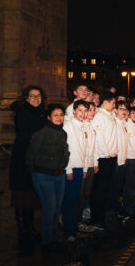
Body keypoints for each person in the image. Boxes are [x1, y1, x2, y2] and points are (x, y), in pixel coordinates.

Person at [25, 103, 70, 251]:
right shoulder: (40, 134)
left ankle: (53, 238)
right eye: (55, 115)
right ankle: (47, 242)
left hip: (59, 176)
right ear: (49, 117)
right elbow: (31, 156)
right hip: (44, 177)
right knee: (49, 209)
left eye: (61, 115)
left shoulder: (63, 133)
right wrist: (35, 173)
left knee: (57, 209)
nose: (59, 118)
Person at [9, 87, 45, 254]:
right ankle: (23, 231)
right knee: (21, 194)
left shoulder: (42, 113)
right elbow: (27, 134)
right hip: (22, 160)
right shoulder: (22, 113)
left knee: (31, 195)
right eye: (32, 96)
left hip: (36, 160)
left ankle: (30, 228)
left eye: (38, 96)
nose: (36, 99)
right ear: (26, 98)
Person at [62, 100, 91, 240]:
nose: (83, 114)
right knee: (69, 200)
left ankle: (74, 228)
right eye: (80, 110)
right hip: (71, 168)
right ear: (73, 111)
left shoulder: (85, 125)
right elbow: (65, 150)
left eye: (85, 111)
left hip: (80, 167)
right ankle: (68, 231)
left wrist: (85, 167)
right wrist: (68, 170)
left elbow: (85, 149)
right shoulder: (68, 126)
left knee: (76, 200)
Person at [89, 91, 119, 229]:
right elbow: (99, 137)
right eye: (113, 102)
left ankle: (105, 216)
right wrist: (106, 152)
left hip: (111, 156)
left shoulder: (109, 116)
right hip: (103, 157)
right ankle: (97, 219)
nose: (114, 105)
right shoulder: (99, 116)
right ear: (105, 102)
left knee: (107, 188)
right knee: (99, 190)